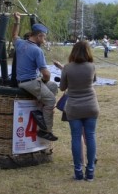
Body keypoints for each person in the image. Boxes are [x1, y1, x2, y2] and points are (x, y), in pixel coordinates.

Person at [11, 12, 59, 142]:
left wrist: (17, 21)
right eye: (44, 38)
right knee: (50, 100)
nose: (44, 40)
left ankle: (41, 111)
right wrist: (43, 82)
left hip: (23, 80)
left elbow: (14, 35)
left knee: (54, 86)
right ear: (39, 36)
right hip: (30, 82)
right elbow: (46, 74)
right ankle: (45, 130)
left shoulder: (20, 43)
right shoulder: (37, 51)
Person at [55, 40, 99, 181]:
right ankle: (90, 171)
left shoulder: (67, 68)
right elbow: (93, 81)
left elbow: (62, 88)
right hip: (91, 105)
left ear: (73, 51)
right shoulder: (91, 67)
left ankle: (78, 171)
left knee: (75, 137)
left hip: (73, 107)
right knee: (90, 136)